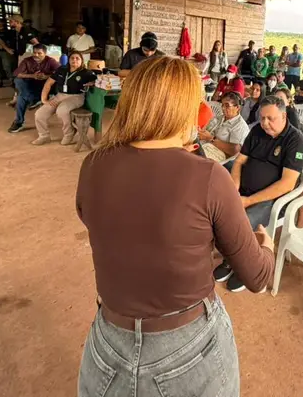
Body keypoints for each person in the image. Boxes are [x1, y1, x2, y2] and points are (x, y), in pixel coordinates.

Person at [76, 56, 273, 396]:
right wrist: (266, 245)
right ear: (183, 108)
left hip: (108, 341)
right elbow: (256, 276)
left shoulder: (94, 163)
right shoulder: (207, 176)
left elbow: (99, 220)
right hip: (187, 349)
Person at [214, 95, 303, 292]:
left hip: (272, 199)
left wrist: (248, 200)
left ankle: (247, 269)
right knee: (218, 210)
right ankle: (231, 259)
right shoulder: (257, 131)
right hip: (244, 190)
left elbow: (287, 184)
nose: (265, 123)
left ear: (283, 116)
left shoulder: (295, 141)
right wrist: (234, 189)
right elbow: (239, 162)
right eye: (262, 118)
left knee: (243, 221)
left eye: (270, 118)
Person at [32, 52, 95, 146]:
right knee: (39, 114)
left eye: (77, 58)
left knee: (62, 110)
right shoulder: (61, 70)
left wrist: (93, 83)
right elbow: (48, 83)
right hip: (60, 96)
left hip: (76, 97)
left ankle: (69, 133)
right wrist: (44, 99)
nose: (74, 60)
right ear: (68, 60)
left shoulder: (86, 73)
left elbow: (97, 80)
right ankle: (44, 136)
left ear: (82, 61)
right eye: (72, 58)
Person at [8, 44, 60, 134]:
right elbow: (17, 74)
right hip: (30, 86)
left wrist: (47, 76)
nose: (36, 55)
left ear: (45, 53)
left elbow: (61, 72)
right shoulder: (27, 61)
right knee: (18, 81)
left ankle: (19, 122)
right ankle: (33, 100)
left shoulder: (50, 61)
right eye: (34, 53)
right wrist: (32, 76)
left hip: (45, 87)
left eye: (39, 53)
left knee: (21, 97)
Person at [200, 91, 249, 163]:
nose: (223, 108)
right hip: (205, 146)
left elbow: (235, 150)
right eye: (222, 105)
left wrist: (211, 139)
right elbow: (205, 130)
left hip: (219, 155)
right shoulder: (219, 118)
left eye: (227, 106)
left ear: (237, 108)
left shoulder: (240, 126)